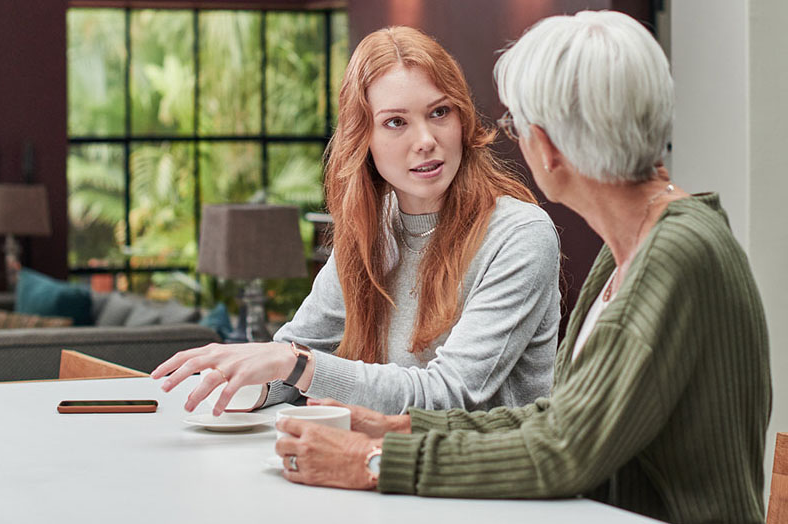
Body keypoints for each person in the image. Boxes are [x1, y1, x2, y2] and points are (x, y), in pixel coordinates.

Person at [272, 11, 773, 524]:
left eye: (517, 126)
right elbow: (559, 421)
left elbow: (563, 452)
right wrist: (400, 429)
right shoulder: (637, 246)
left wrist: (376, 462)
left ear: (549, 147)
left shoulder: (675, 256)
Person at [151, 26, 561, 417]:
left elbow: (450, 395)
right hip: (379, 459)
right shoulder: (374, 228)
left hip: (481, 467)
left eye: (440, 112)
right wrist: (236, 386)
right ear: (362, 138)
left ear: (463, 119)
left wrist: (293, 363)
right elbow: (297, 356)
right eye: (396, 122)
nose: (425, 141)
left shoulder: (519, 235)